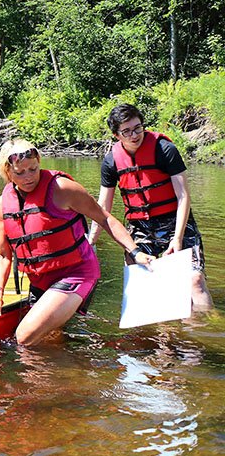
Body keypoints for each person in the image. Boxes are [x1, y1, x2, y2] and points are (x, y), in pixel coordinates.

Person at [0, 139, 153, 345]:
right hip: (40, 281)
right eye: (20, 173)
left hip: (77, 273)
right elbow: (3, 255)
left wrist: (135, 251)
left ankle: (128, 350)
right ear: (7, 172)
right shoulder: (3, 205)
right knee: (49, 342)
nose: (28, 177)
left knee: (25, 336)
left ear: (39, 162)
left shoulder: (62, 189)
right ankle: (74, 373)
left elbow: (104, 218)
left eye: (33, 169)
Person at [89, 103, 214, 311]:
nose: (134, 135)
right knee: (147, 288)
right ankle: (160, 336)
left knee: (195, 281)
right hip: (140, 228)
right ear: (116, 135)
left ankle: (207, 333)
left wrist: (177, 238)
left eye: (138, 128)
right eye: (126, 131)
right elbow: (103, 207)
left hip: (176, 222)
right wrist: (91, 242)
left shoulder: (165, 150)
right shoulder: (111, 161)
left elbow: (183, 196)